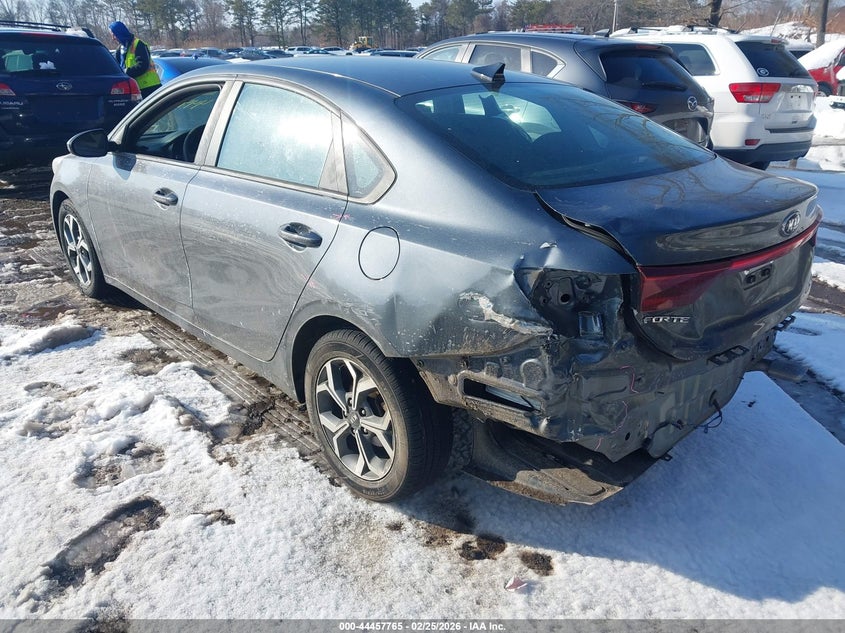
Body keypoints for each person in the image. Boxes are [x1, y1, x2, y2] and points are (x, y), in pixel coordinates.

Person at [108, 21, 161, 98]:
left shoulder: (138, 44)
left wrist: (126, 72)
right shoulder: (120, 49)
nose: (113, 38)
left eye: (114, 35)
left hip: (150, 87)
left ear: (119, 33)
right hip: (134, 89)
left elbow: (142, 66)